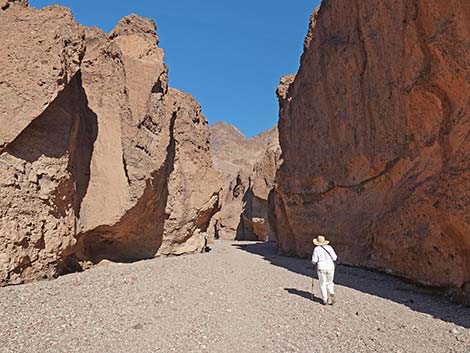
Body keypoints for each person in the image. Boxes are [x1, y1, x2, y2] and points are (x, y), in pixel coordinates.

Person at [311, 235, 338, 305]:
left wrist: (313, 263)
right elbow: (335, 257)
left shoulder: (316, 249)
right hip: (331, 267)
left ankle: (325, 299)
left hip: (321, 267)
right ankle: (331, 292)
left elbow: (314, 260)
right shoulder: (329, 247)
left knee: (322, 283)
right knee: (330, 282)